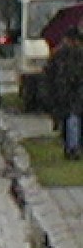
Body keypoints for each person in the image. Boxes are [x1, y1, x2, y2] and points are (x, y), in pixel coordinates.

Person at [46, 27, 83, 159]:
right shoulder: (74, 54)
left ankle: (71, 147)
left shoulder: (58, 54)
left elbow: (50, 74)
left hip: (65, 92)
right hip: (72, 92)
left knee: (70, 120)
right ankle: (72, 147)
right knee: (73, 119)